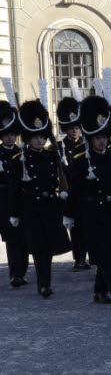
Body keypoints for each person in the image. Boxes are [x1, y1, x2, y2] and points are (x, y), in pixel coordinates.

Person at [64, 95, 111, 306]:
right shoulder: (81, 159)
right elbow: (75, 189)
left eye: (104, 136)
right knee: (102, 253)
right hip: (91, 211)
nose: (101, 140)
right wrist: (68, 213)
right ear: (90, 138)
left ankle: (98, 291)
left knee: (109, 253)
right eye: (97, 137)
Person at [10, 95, 72, 299]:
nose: (39, 139)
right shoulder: (20, 160)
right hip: (31, 207)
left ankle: (46, 281)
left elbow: (60, 180)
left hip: (50, 205)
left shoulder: (51, 156)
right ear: (28, 138)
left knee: (48, 247)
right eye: (35, 136)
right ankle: (43, 284)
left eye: (42, 136)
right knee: (38, 248)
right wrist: (14, 212)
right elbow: (15, 188)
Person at [56, 94, 89, 271]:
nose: (75, 131)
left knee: (87, 225)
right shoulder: (60, 147)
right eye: (71, 128)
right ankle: (79, 258)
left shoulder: (86, 145)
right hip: (69, 191)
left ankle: (89, 255)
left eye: (77, 127)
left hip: (84, 190)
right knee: (75, 227)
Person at [0, 100, 26, 288]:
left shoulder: (20, 153)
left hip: (20, 198)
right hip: (3, 200)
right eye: (7, 135)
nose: (10, 138)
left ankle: (22, 271)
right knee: (11, 238)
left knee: (23, 237)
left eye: (12, 135)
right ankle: (14, 273)